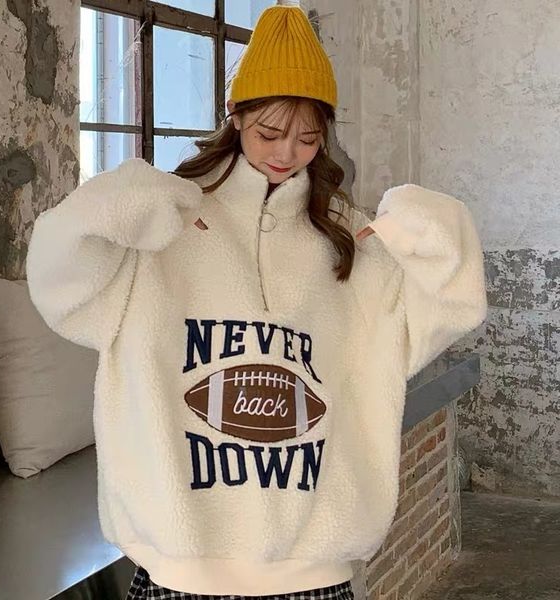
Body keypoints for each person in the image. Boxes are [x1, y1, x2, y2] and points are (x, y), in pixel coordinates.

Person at [25, 5, 487, 600]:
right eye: (269, 133)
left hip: (311, 574)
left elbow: (455, 301)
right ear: (235, 114)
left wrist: (418, 223)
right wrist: (127, 199)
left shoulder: (345, 236)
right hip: (179, 573)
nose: (286, 153)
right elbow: (59, 280)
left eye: (307, 139)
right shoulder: (169, 223)